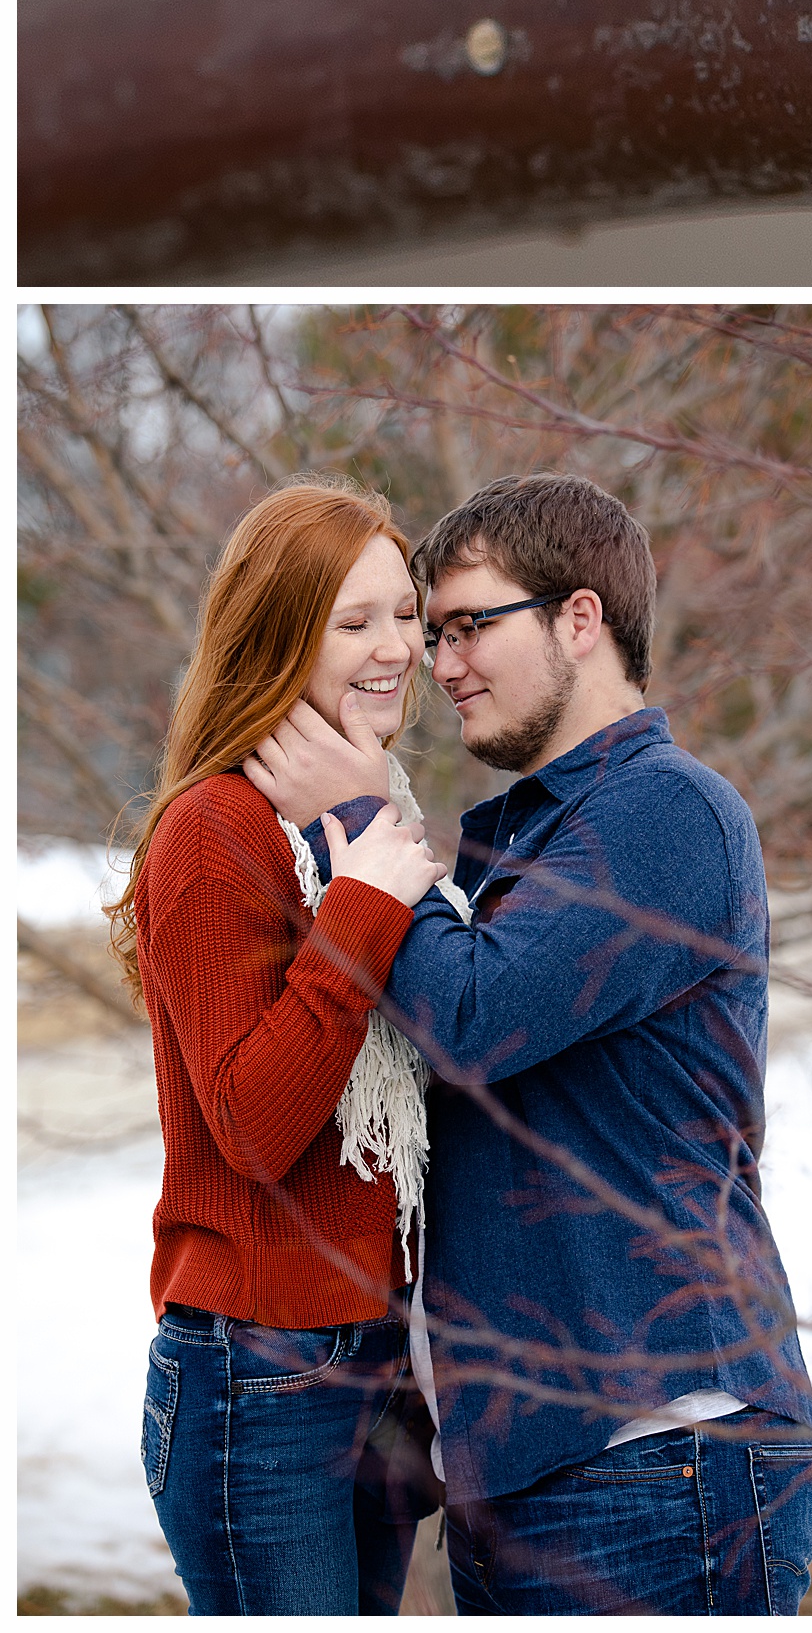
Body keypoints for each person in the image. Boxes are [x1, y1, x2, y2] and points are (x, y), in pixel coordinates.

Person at [244, 471, 812, 1616]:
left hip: (659, 1446)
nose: (438, 661)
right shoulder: (535, 835)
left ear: (579, 619)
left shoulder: (665, 809)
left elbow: (472, 1019)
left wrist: (359, 824)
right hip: (543, 1454)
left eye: (468, 625)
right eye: (429, 628)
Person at [109, 483, 451, 1615]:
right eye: (354, 623)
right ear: (277, 636)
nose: (398, 646)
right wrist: (359, 902)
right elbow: (255, 1126)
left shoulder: (368, 812)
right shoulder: (217, 830)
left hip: (370, 1359)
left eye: (406, 613)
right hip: (257, 1371)